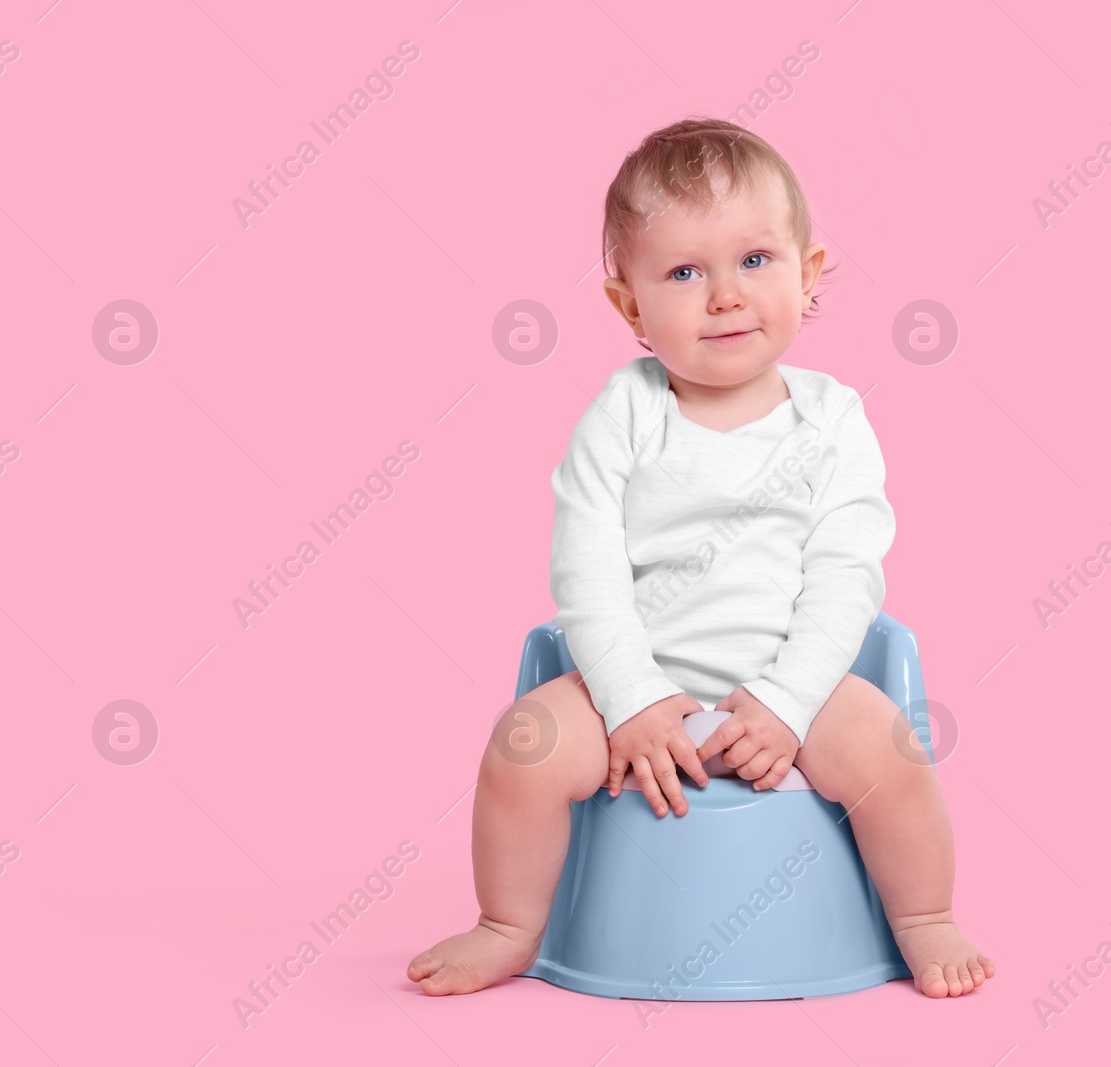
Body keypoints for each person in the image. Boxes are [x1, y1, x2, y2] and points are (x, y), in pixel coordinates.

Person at [407, 117, 993, 999]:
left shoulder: (831, 419)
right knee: (521, 747)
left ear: (810, 273)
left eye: (755, 260)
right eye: (684, 272)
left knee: (893, 751)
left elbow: (846, 578)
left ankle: (921, 915)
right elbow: (588, 570)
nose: (724, 295)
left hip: (801, 687)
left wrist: (790, 701)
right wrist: (632, 697)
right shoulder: (625, 412)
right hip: (641, 689)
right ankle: (510, 924)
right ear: (630, 306)